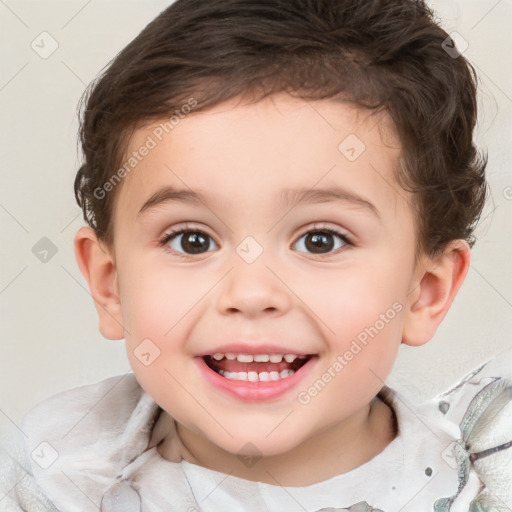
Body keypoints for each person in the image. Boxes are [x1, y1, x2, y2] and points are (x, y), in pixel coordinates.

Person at [1, 0, 511, 510]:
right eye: (192, 240)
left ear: (425, 292)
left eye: (321, 240)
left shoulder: (487, 480)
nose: (250, 293)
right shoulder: (57, 482)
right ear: (110, 285)